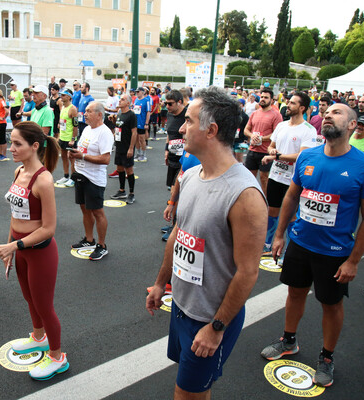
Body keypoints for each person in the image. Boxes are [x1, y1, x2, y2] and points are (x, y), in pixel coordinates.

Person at [146, 86, 267, 400]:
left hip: (211, 318)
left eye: (188, 120)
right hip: (182, 307)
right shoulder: (191, 174)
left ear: (211, 130)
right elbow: (178, 234)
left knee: (188, 394)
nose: (181, 128)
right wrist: (161, 284)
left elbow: (248, 272)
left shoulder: (245, 195)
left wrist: (217, 327)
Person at [261, 103, 364, 388]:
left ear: (352, 126)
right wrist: (280, 236)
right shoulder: (307, 157)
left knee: (331, 304)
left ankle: (326, 357)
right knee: (295, 293)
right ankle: (288, 341)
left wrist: (353, 260)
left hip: (335, 252)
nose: (328, 115)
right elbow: (292, 197)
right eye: (327, 112)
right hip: (300, 243)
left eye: (337, 113)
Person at [0, 121, 68, 381]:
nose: (11, 148)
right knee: (29, 299)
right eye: (10, 142)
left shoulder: (44, 180)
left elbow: (48, 228)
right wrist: (10, 248)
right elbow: (16, 216)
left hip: (40, 253)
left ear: (34, 146)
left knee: (44, 306)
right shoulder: (17, 172)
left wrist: (15, 245)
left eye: (17, 144)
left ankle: (58, 357)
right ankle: (39, 338)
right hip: (20, 249)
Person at [259, 92, 317, 257]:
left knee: (291, 216)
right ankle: (268, 246)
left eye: (292, 103)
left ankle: (289, 251)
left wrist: (276, 156)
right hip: (276, 175)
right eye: (288, 102)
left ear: (302, 108)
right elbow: (271, 146)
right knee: (272, 211)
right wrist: (272, 151)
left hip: (295, 179)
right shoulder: (282, 126)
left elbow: (302, 156)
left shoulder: (309, 130)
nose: (288, 105)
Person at [68, 102, 114, 261]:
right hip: (81, 175)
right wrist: (74, 155)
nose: (85, 114)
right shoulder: (87, 129)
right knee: (85, 209)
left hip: (94, 179)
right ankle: (89, 240)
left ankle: (102, 245)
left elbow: (106, 159)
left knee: (97, 212)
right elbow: (83, 150)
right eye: (85, 111)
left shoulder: (105, 133)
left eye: (88, 111)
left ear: (99, 115)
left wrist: (82, 157)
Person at [244, 88, 283, 194]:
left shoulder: (276, 115)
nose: (263, 99)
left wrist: (262, 138)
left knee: (264, 179)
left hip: (265, 152)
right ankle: (249, 200)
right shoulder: (255, 113)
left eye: (266, 98)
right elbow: (246, 130)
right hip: (252, 150)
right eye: (262, 97)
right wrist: (252, 136)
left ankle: (264, 202)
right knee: (249, 178)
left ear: (271, 100)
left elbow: (277, 133)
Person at [109, 95, 137, 204]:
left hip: (127, 147)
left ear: (128, 103)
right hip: (119, 146)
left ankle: (131, 193)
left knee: (129, 170)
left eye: (122, 100)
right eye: (120, 99)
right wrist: (114, 119)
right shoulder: (119, 113)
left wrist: (131, 148)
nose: (120, 101)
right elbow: (119, 127)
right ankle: (122, 190)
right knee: (119, 169)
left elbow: (134, 132)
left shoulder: (131, 115)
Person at [163, 89, 188, 191]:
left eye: (170, 104)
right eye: (166, 103)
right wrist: (166, 150)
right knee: (171, 187)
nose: (167, 106)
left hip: (184, 158)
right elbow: (169, 134)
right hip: (172, 156)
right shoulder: (169, 114)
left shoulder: (187, 116)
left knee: (178, 187)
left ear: (179, 102)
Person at [55, 89, 77, 187]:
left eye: (63, 95)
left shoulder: (73, 109)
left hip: (69, 138)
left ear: (69, 97)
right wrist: (60, 124)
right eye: (61, 95)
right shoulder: (63, 107)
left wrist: (73, 139)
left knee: (72, 158)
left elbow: (75, 125)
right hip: (62, 136)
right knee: (63, 157)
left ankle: (73, 178)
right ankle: (66, 175)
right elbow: (63, 120)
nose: (61, 97)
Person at [133, 87, 151, 162]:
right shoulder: (136, 100)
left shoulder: (146, 101)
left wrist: (146, 123)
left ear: (143, 92)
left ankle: (143, 154)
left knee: (142, 139)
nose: (137, 93)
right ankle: (138, 153)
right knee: (136, 138)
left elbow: (148, 112)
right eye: (136, 92)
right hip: (135, 122)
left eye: (138, 92)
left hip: (142, 122)